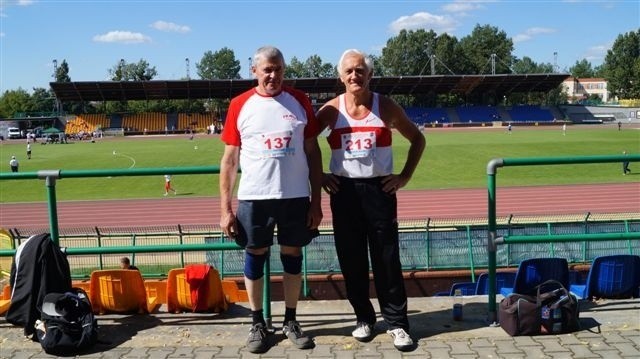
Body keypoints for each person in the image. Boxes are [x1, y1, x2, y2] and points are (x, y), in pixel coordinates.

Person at [316, 49, 425, 351]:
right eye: (349, 71)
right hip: (344, 192)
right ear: (341, 76)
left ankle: (398, 324)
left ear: (370, 75)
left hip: (380, 191)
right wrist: (322, 176)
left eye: (360, 70)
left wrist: (404, 176)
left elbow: (418, 138)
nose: (355, 76)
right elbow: (304, 142)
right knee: (351, 260)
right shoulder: (330, 111)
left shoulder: (386, 107)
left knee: (386, 259)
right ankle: (364, 318)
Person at [219, 45, 322, 354]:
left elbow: (313, 152)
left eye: (278, 69)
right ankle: (257, 322)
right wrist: (225, 209)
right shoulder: (240, 104)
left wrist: (316, 202)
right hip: (254, 197)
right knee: (255, 254)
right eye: (267, 69)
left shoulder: (300, 100)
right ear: (255, 72)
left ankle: (290, 320)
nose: (273, 75)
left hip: (294, 197)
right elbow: (228, 161)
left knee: (292, 255)